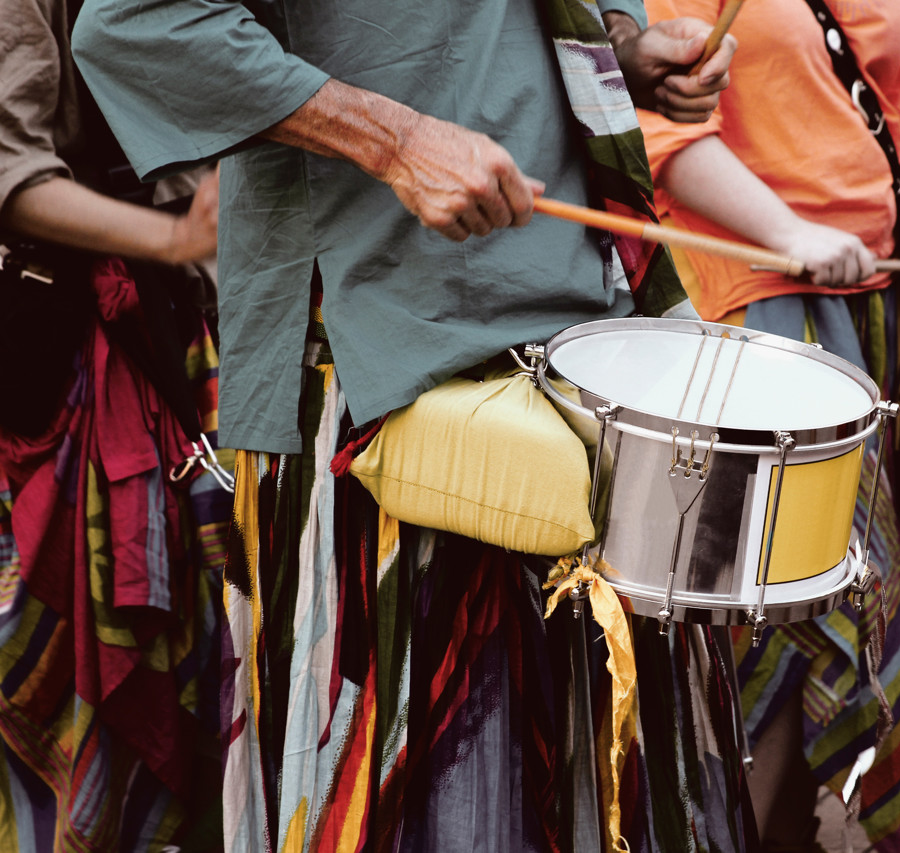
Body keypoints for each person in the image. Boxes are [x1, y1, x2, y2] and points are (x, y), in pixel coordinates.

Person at [70, 1, 749, 851]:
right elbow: (136, 25)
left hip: (591, 338)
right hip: (378, 382)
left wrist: (625, 50)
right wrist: (393, 141)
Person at [636, 1, 900, 850]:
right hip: (746, 303)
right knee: (777, 618)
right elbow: (658, 125)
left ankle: (785, 827)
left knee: (836, 601)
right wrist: (788, 231)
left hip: (863, 295)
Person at [0, 0, 228, 849]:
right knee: (49, 647)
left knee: (186, 626)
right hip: (55, 363)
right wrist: (171, 236)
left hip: (174, 335)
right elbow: (12, 179)